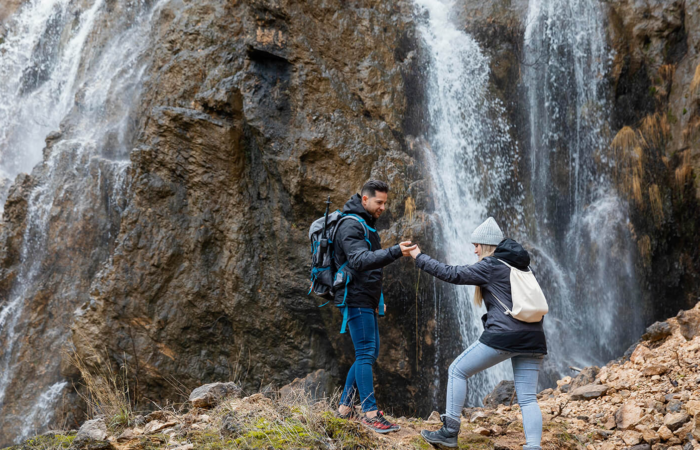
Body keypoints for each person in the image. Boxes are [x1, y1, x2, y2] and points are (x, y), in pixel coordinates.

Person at [409, 217, 547, 449]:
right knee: (527, 398)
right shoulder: (522, 266)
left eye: (476, 245)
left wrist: (419, 257)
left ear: (487, 245)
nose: (474, 250)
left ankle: (449, 432)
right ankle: (533, 446)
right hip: (534, 337)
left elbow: (451, 273)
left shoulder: (491, 265)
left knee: (457, 370)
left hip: (504, 335)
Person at [333, 179, 416, 433]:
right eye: (379, 202)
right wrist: (394, 252)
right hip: (355, 298)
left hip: (365, 298)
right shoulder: (350, 224)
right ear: (365, 199)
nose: (383, 207)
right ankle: (370, 413)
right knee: (367, 352)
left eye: (385, 203)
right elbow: (358, 260)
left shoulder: (365, 224)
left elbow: (368, 269)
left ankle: (344, 409)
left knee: (368, 352)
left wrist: (378, 300)